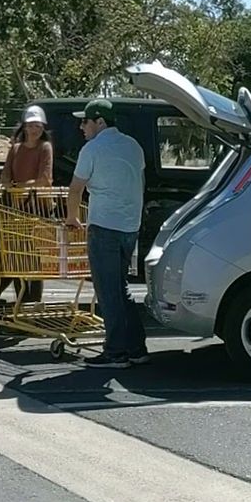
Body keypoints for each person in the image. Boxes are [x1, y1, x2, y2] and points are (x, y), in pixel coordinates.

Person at [66, 99, 149, 369]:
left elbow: (76, 188)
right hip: (129, 226)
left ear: (99, 122)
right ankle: (136, 347)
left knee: (107, 291)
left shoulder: (92, 149)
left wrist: (72, 218)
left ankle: (115, 352)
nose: (82, 127)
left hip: (104, 226)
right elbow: (140, 181)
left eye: (85, 121)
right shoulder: (133, 146)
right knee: (121, 286)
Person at [0, 105, 54, 188]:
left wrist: (17, 186)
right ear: (25, 128)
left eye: (38, 126)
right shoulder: (15, 149)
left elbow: (44, 180)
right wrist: (1, 186)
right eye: (31, 126)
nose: (34, 130)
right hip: (16, 198)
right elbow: (5, 175)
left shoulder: (45, 147)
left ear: (43, 129)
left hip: (38, 199)